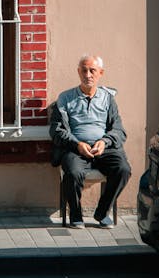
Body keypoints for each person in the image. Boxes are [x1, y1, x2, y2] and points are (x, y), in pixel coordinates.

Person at [49, 54, 131, 229]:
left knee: (123, 169)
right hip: (75, 148)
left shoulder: (108, 98)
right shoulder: (65, 98)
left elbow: (118, 130)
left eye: (92, 70)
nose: (88, 75)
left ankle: (102, 213)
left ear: (100, 73)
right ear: (78, 72)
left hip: (102, 149)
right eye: (84, 70)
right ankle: (76, 215)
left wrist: (104, 142)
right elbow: (57, 130)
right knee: (72, 172)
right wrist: (77, 144)